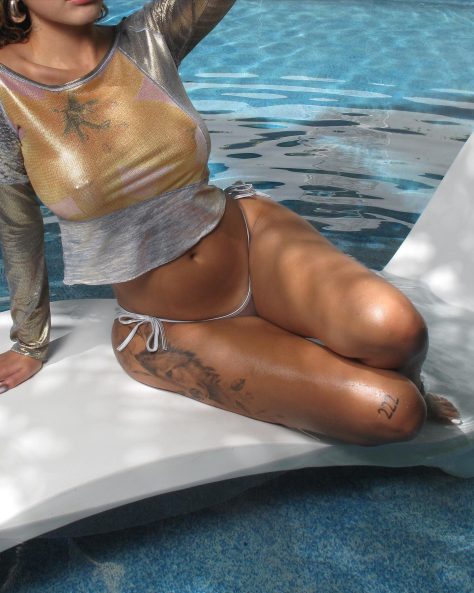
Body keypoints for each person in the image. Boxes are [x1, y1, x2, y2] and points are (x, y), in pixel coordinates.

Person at [0, 0, 460, 446]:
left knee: (401, 331)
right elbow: (19, 226)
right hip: (170, 323)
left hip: (253, 242)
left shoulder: (148, 37)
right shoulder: (5, 94)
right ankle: (371, 383)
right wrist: (29, 343)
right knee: (395, 412)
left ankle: (403, 376)